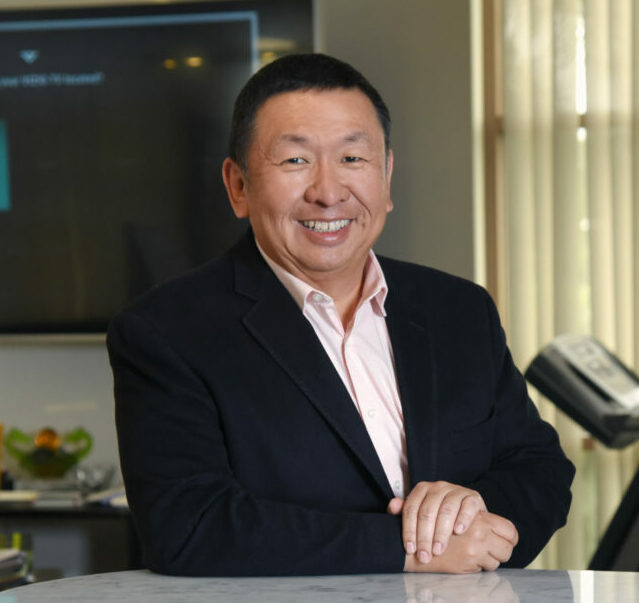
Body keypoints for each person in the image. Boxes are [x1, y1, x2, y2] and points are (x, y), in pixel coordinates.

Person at [107, 53, 575, 576]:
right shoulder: (166, 331)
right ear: (238, 186)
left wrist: (471, 517)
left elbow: (540, 471)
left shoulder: (459, 310)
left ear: (386, 174)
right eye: (295, 161)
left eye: (352, 158)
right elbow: (189, 527)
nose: (328, 193)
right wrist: (408, 548)